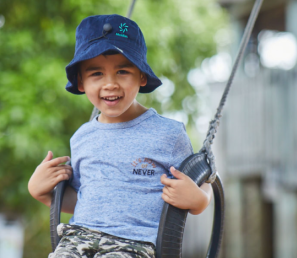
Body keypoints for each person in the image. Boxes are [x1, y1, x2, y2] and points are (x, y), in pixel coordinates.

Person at [28, 14, 213, 258]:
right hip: (78, 237)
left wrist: (199, 200)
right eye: (96, 74)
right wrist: (40, 191)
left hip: (133, 245)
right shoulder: (82, 137)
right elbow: (84, 200)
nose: (110, 84)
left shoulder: (168, 134)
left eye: (122, 71)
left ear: (142, 76)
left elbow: (205, 182)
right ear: (81, 81)